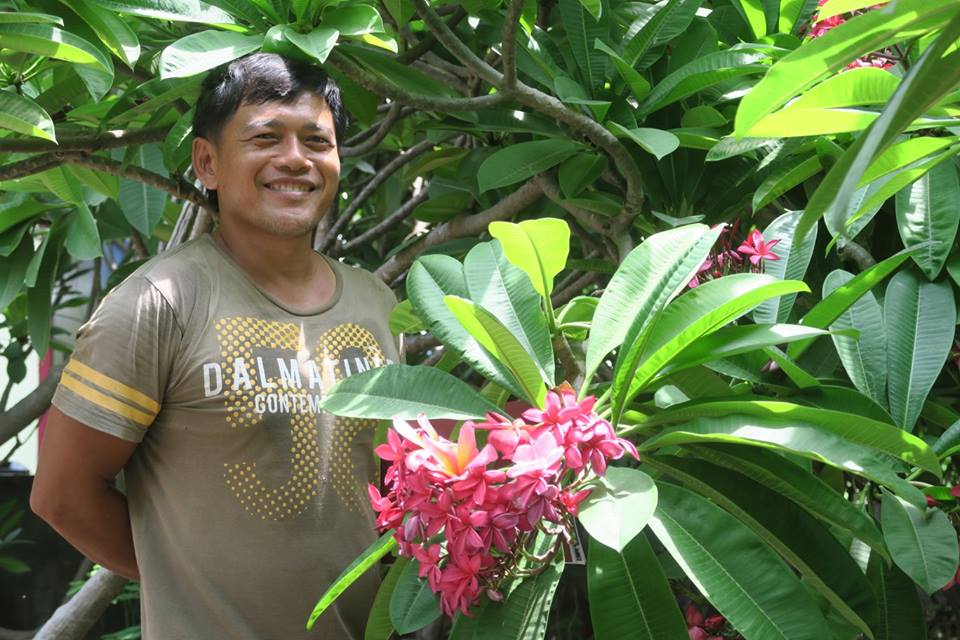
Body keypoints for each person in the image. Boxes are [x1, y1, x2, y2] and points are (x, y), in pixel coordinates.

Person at [30, 53, 401, 639]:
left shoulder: (375, 302)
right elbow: (62, 496)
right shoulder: (158, 303)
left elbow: (393, 480)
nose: (295, 159)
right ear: (208, 162)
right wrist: (183, 578)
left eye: (316, 141)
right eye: (266, 138)